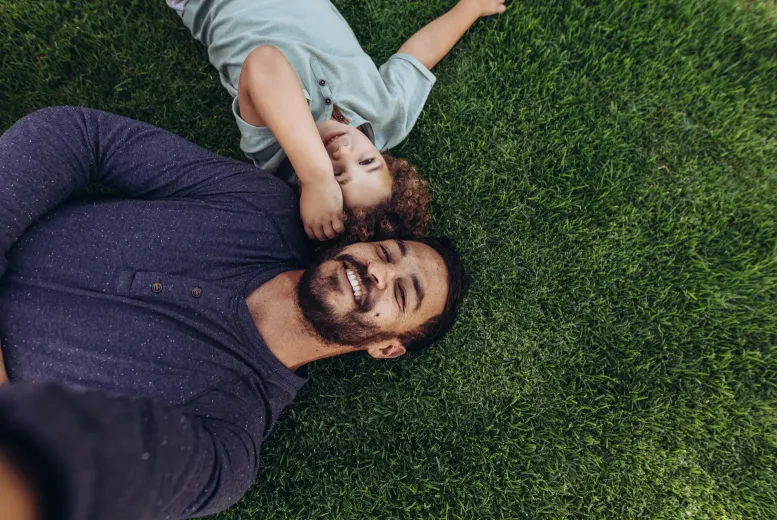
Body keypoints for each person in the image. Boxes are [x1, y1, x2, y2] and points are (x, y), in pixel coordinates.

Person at [0, 107, 469, 520]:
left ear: (386, 347)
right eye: (387, 252)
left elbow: (52, 476)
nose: (378, 273)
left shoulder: (223, 442)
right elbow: (84, 136)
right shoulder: (259, 206)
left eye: (403, 294)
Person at [168, 0, 506, 242]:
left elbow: (264, 64)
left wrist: (316, 177)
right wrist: (470, 8)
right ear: (385, 158)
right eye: (368, 161)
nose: (343, 152)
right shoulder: (386, 115)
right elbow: (420, 54)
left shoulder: (274, 152)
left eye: (337, 176)